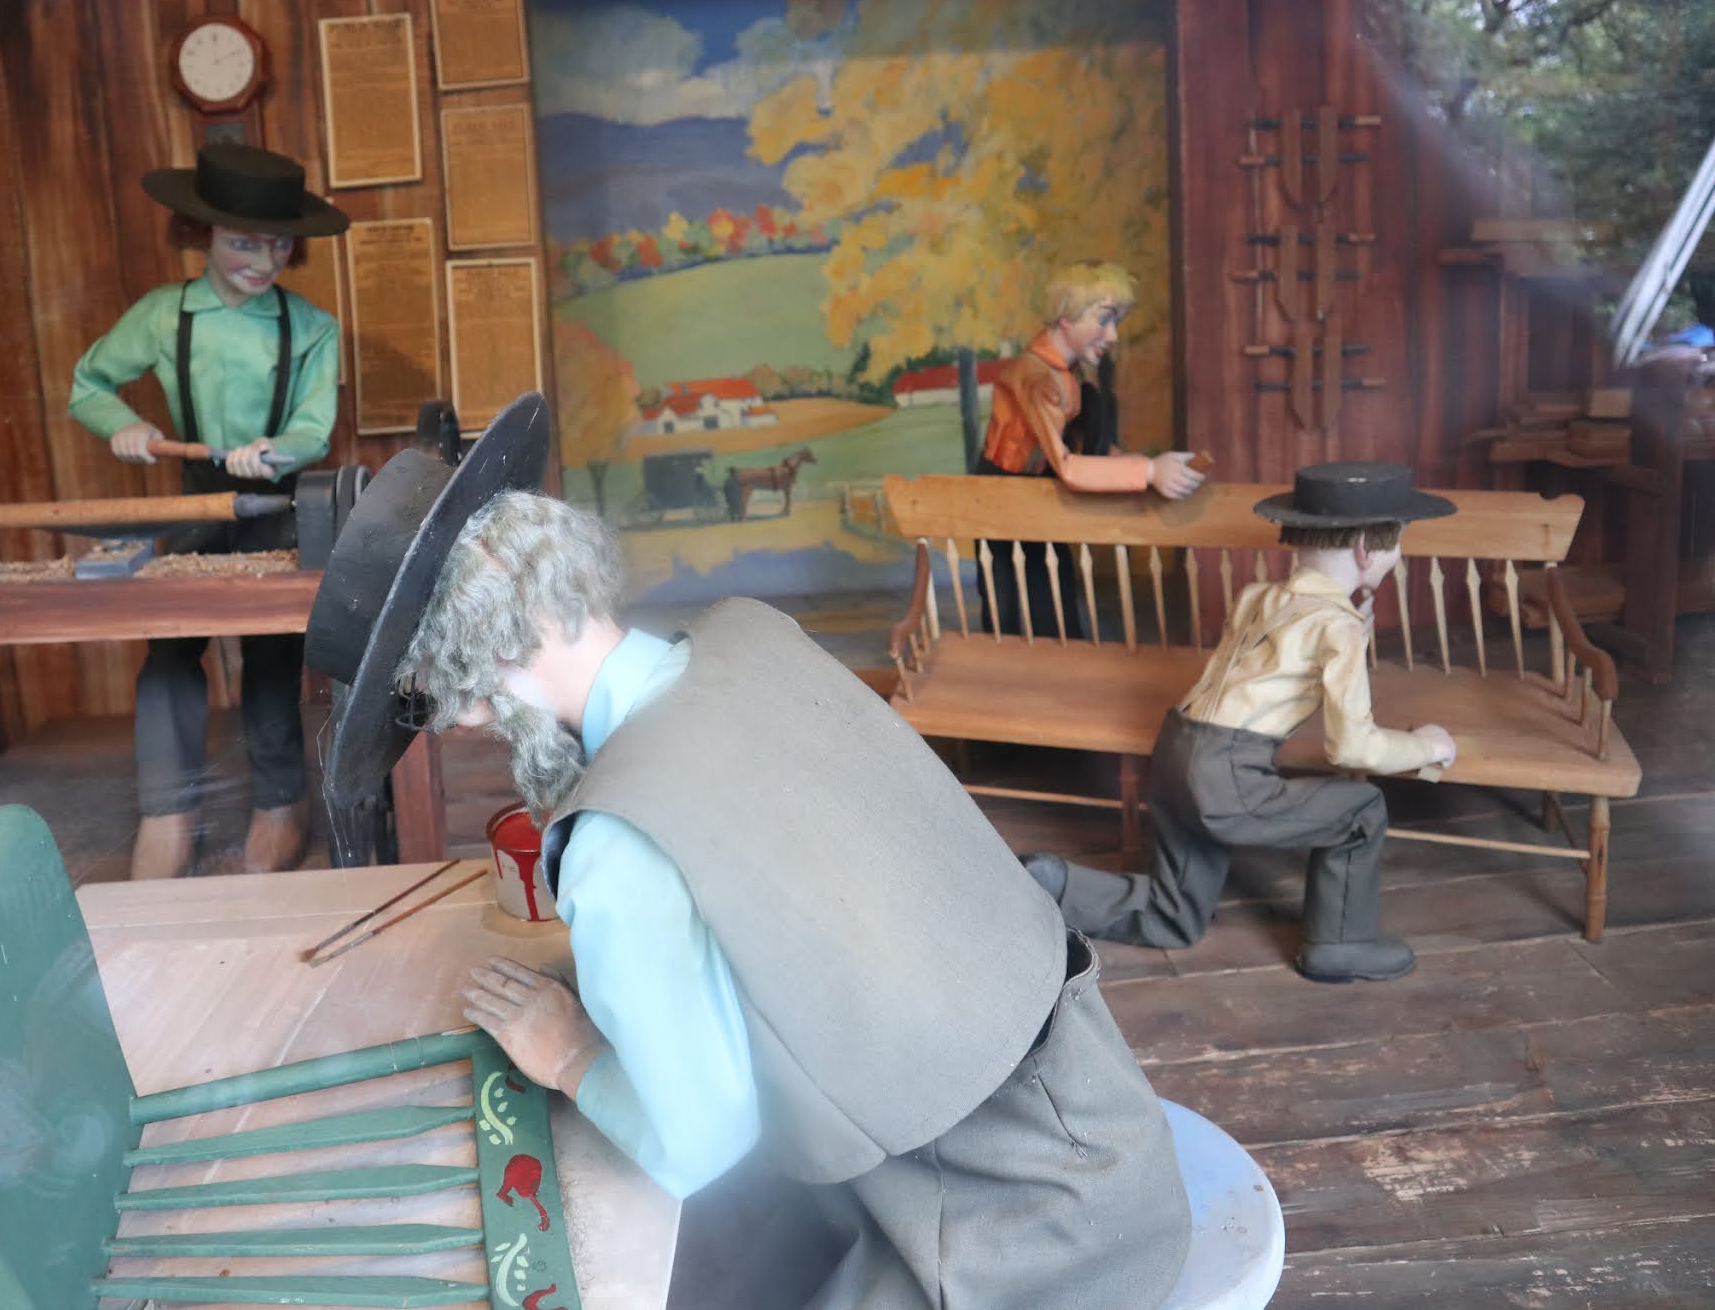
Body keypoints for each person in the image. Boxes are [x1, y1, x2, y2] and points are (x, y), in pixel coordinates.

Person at [304, 396, 1191, 1310]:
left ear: (471, 678)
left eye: (444, 701)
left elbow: (701, 1145)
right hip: (1105, 1129)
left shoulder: (615, 841)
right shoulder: (752, 633)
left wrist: (568, 1054)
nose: (463, 723)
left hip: (1007, 1239)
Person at [1026, 462, 1461, 983]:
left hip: (1176, 750)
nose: (1398, 556)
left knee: (1174, 915)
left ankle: (1053, 885)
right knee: (1361, 810)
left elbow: (1273, 663)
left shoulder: (1258, 596)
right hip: (1226, 774)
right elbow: (1352, 748)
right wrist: (1426, 746)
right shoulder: (1337, 626)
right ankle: (1339, 945)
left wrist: (1350, 635)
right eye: (1397, 545)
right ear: (1367, 549)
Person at [69, 143, 348, 880]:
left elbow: (314, 426)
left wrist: (277, 450)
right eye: (244, 243)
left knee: (271, 652)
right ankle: (166, 812)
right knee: (169, 650)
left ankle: (281, 805)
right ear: (202, 233)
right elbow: (88, 385)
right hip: (194, 497)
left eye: (279, 244)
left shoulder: (310, 325)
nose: (264, 261)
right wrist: (125, 428)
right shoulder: (164, 315)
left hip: (274, 501)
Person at [979, 260, 1206, 638]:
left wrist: (1147, 465)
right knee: (1014, 610)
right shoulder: (1037, 379)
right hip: (1002, 502)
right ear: (1066, 318)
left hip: (1035, 499)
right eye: (1103, 320)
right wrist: (1149, 471)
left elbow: (1089, 448)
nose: (1112, 335)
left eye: (1116, 322)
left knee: (1053, 602)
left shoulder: (1067, 376)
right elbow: (1067, 465)